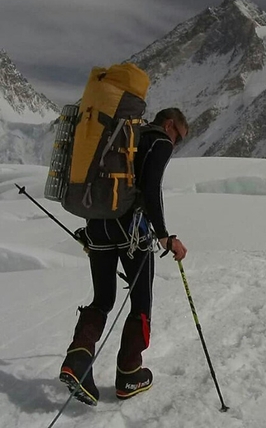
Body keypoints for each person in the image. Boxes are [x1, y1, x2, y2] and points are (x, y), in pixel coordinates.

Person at [59, 108, 189, 406]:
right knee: (141, 302)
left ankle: (77, 361)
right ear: (169, 124)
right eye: (178, 137)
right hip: (132, 230)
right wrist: (164, 234)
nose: (176, 144)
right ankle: (129, 373)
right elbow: (152, 187)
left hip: (97, 225)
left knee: (103, 299)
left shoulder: (127, 136)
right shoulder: (159, 142)